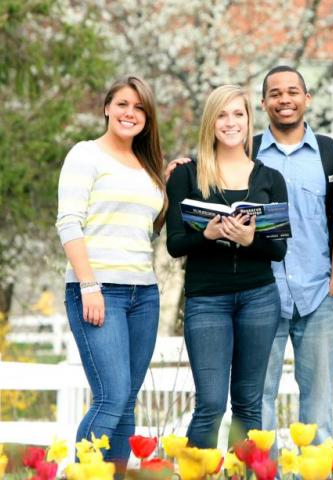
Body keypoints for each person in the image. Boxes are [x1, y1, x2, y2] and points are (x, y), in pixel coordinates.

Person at [56, 75, 174, 475]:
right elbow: (69, 223)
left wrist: (168, 186)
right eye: (123, 104)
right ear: (107, 107)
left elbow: (143, 229)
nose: (131, 113)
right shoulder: (85, 154)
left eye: (140, 108)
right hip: (98, 290)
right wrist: (89, 285)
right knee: (111, 397)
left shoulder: (146, 166)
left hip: (144, 294)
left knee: (127, 402)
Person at [166, 85, 287, 449]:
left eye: (239, 114)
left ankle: (243, 475)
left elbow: (278, 249)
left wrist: (252, 240)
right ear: (210, 122)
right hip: (207, 300)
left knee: (249, 405)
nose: (231, 122)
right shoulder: (187, 175)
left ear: (249, 120)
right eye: (222, 114)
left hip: (259, 299)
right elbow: (174, 244)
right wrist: (207, 234)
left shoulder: (270, 179)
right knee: (211, 404)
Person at [256, 66, 333, 445]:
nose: (285, 99)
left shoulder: (332, 156)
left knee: (318, 408)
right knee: (256, 401)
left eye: (293, 92)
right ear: (264, 102)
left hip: (319, 297)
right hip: (260, 296)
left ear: (307, 99)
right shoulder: (245, 152)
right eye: (276, 93)